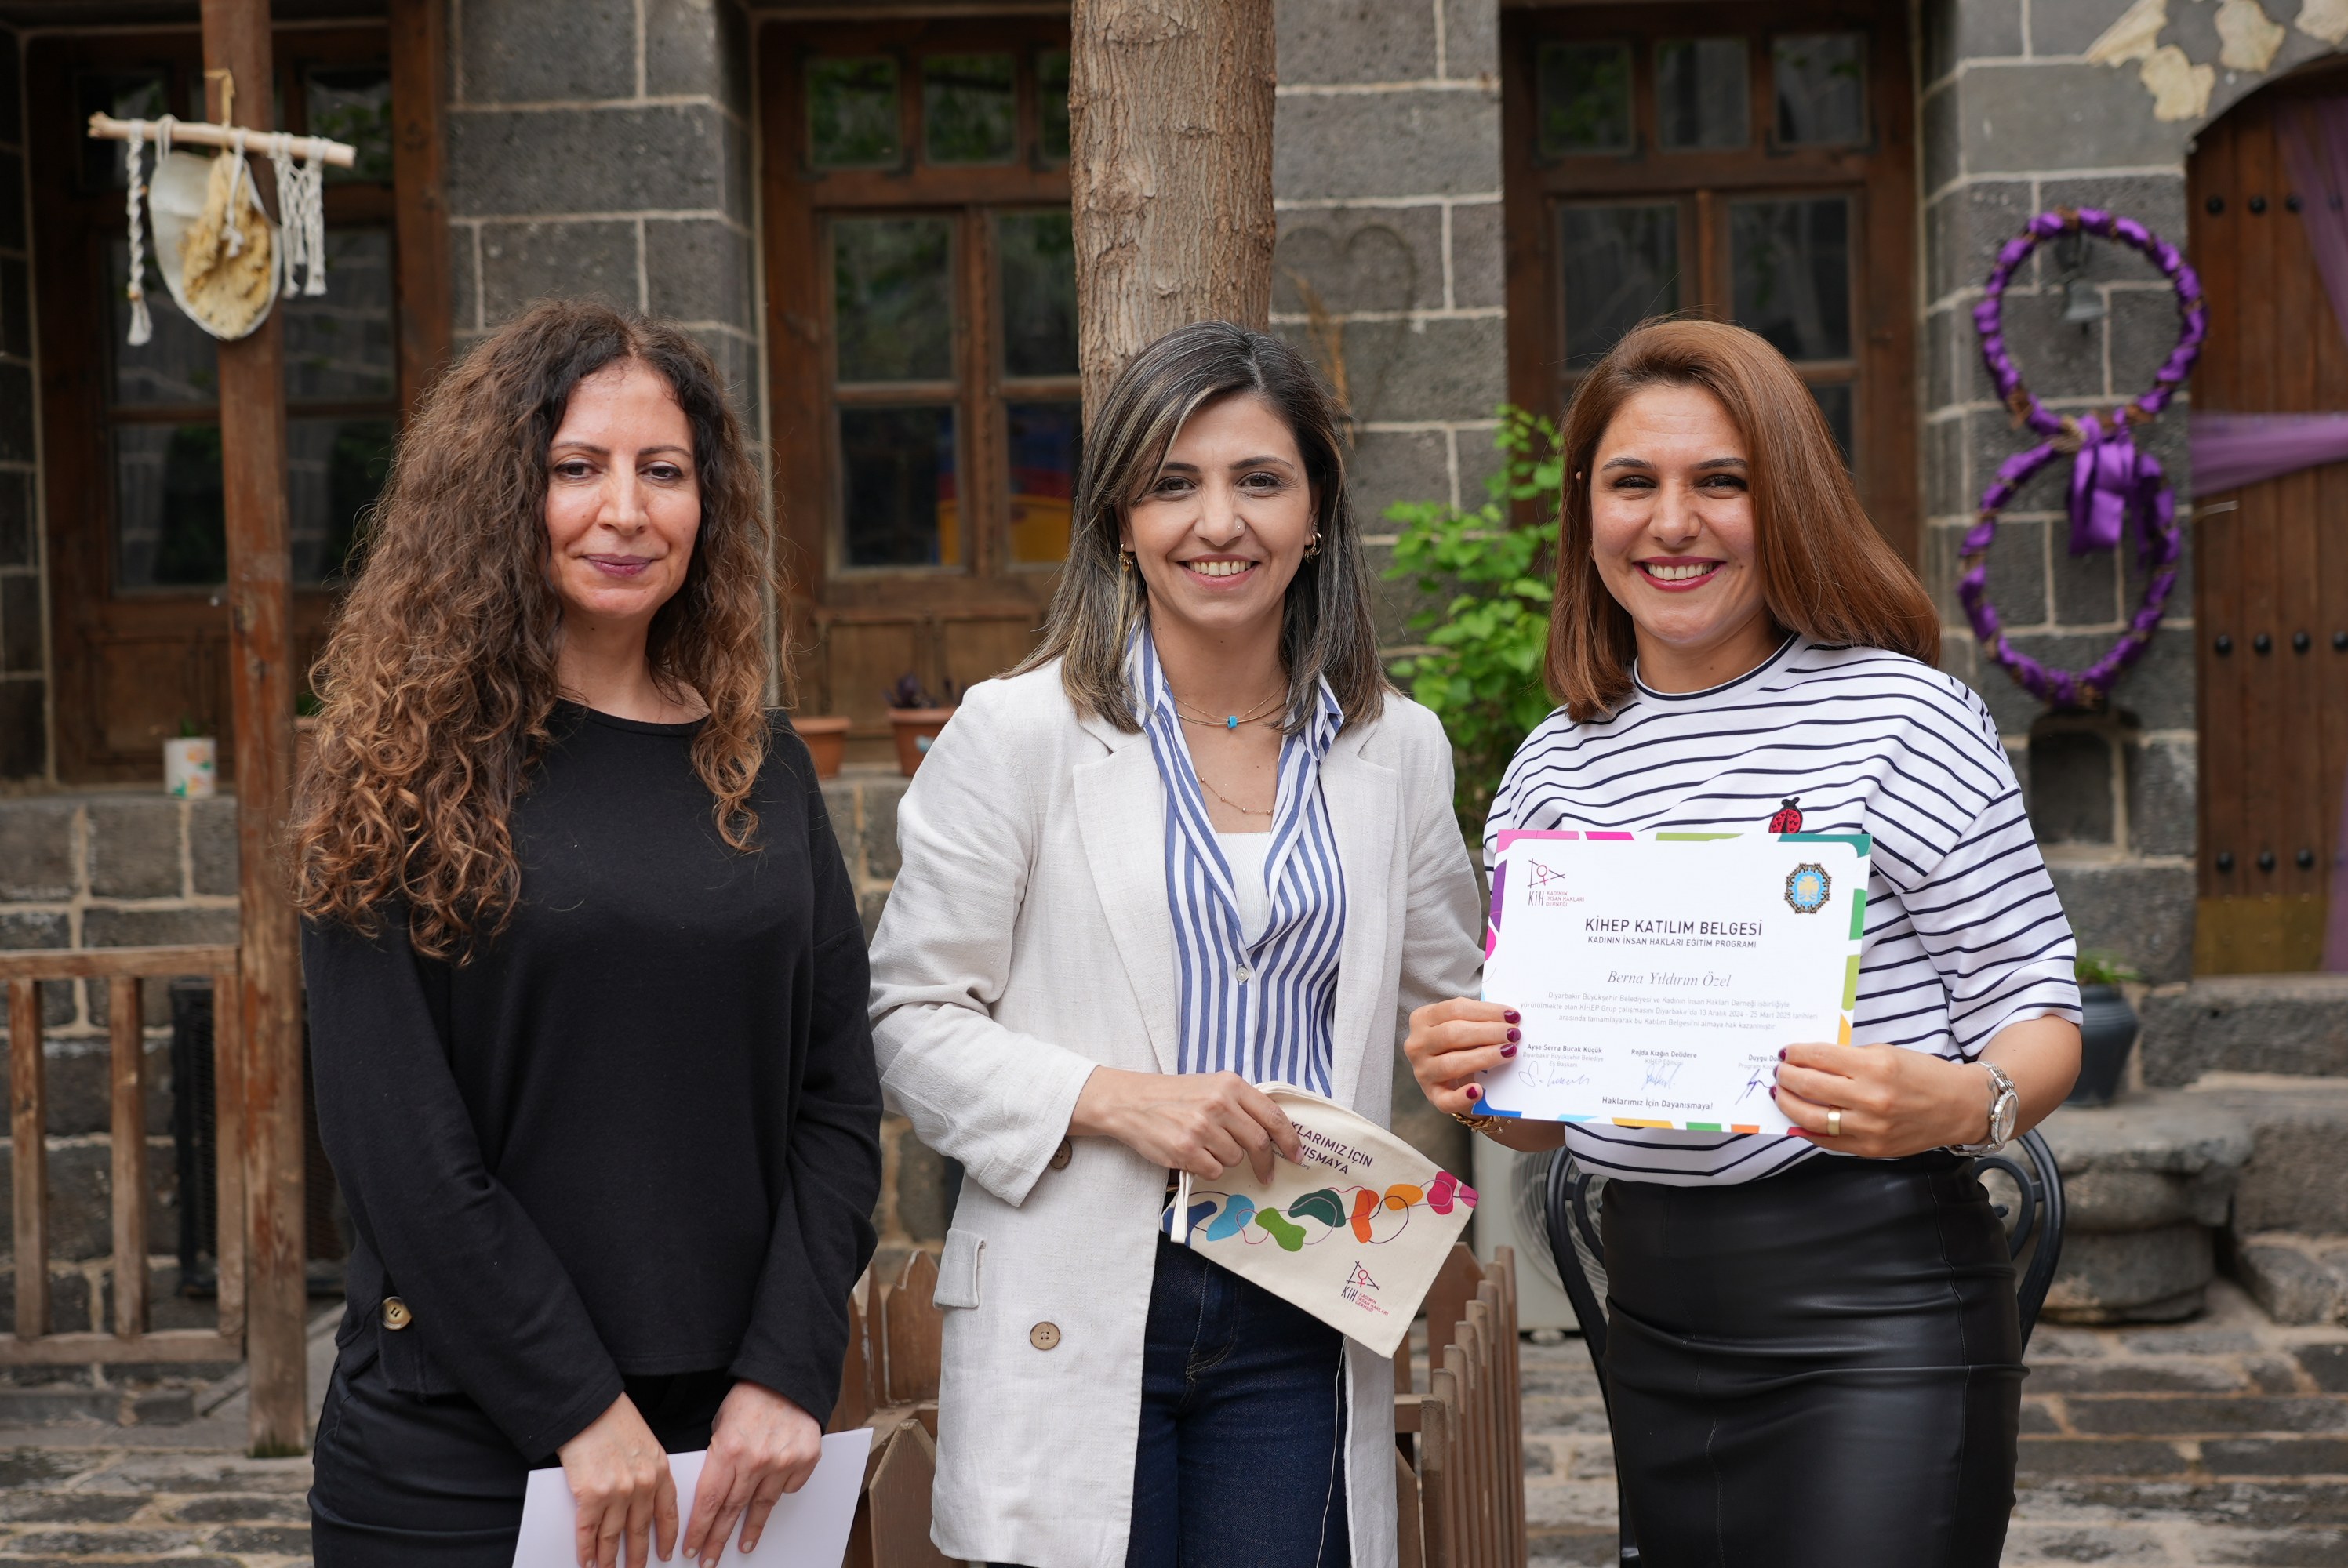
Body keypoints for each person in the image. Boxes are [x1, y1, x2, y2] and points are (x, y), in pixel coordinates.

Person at [1407, 318, 2083, 1567]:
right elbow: (1547, 1114)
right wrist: (1480, 1080)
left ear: (1786, 500)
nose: (1672, 523)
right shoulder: (1550, 771)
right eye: (1632, 483)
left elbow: (2038, 1011)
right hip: (1655, 1314)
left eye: (1720, 481)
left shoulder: (1902, 715)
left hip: (1878, 1306)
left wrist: (1962, 1102)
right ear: (1585, 508)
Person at [866, 321, 1483, 1568]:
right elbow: (907, 1022)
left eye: (1259, 480)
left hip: (1302, 1287)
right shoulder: (1015, 734)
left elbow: (1457, 1006)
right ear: (1118, 521)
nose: (1218, 522)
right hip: (1078, 1284)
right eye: (1172, 484)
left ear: (1316, 514)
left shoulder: (1396, 748)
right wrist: (1114, 1098)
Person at [293, 301, 882, 1568]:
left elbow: (836, 1098)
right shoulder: (393, 769)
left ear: (706, 503)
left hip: (733, 1443)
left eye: (663, 471)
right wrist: (575, 1404)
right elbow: (396, 1146)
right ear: (499, 495)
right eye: (576, 468)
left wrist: (788, 1368)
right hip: (458, 1441)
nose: (625, 511)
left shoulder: (761, 762)